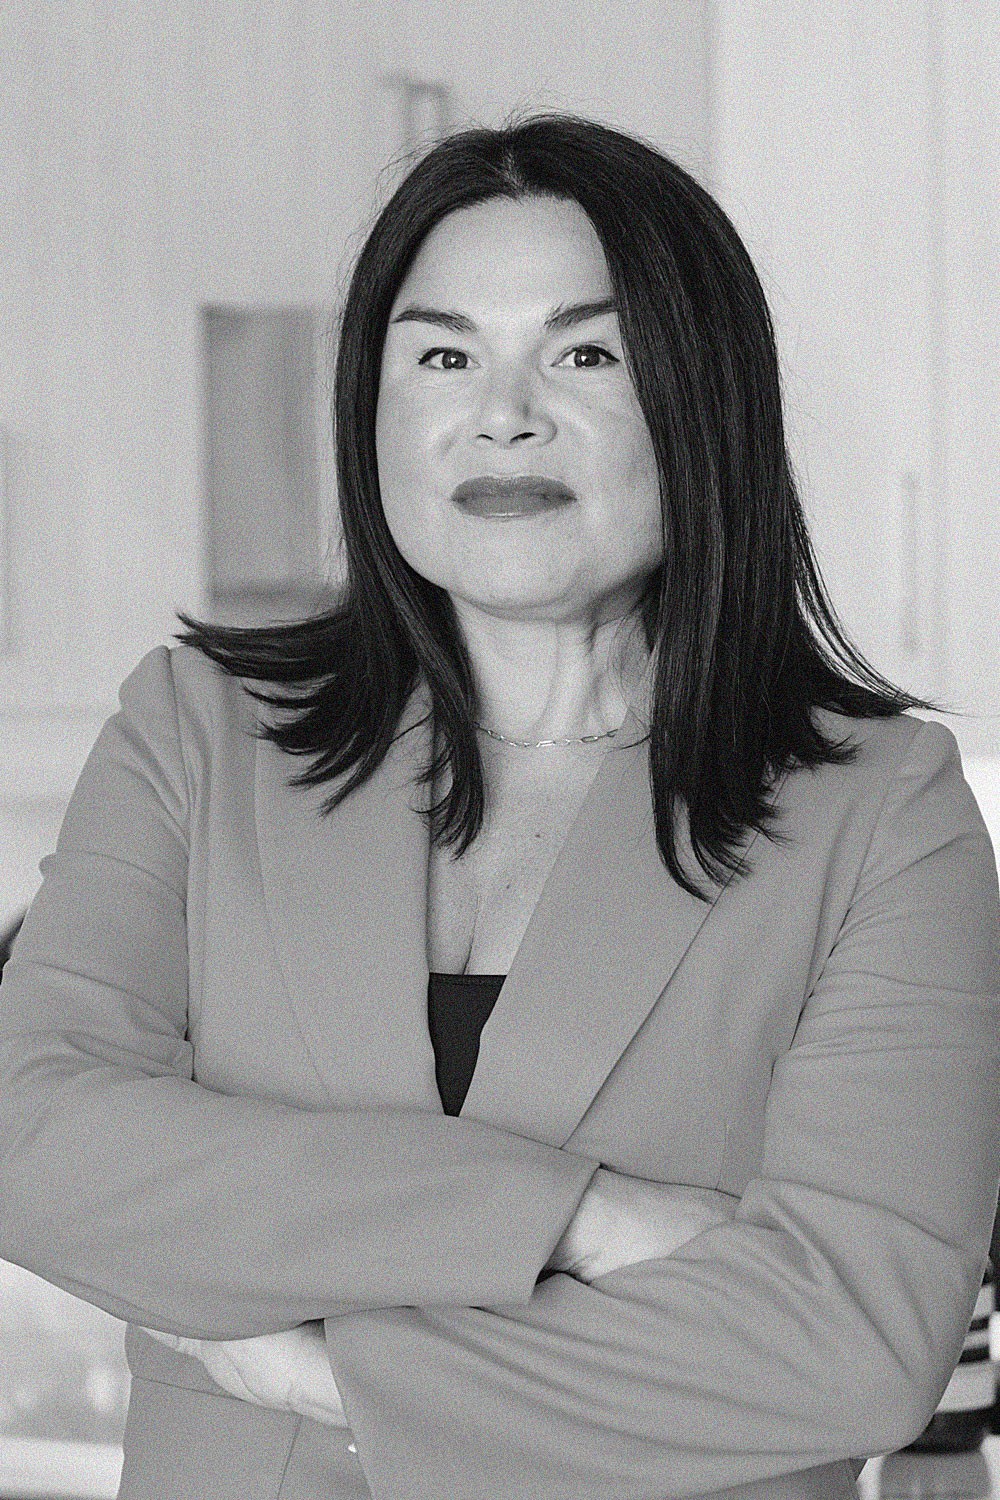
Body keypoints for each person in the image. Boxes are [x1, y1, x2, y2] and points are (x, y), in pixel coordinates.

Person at [0, 111, 998, 1500]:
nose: (503, 410)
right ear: (376, 406)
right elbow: (30, 1138)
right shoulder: (196, 735)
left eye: (584, 352)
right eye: (445, 353)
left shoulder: (882, 813)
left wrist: (327, 1372)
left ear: (701, 402)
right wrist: (573, 1215)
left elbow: (860, 1343)